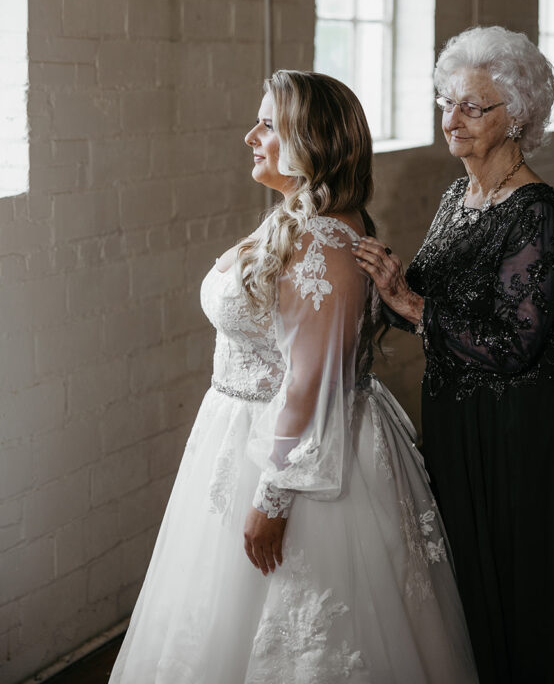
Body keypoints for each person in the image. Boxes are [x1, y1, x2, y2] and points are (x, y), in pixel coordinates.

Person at [110, 69, 478, 684]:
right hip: (243, 438)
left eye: (269, 125)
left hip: (296, 459)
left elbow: (309, 381)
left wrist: (272, 498)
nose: (251, 135)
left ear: (312, 141)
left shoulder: (323, 241)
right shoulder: (297, 220)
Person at [353, 26, 554, 684]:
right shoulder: (455, 197)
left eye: (472, 107)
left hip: (519, 431)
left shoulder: (535, 210)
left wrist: (408, 303)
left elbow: (513, 343)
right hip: (454, 423)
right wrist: (377, 288)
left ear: (518, 114)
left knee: (522, 589)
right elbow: (424, 308)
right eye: (446, 103)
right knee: (465, 589)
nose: (452, 120)